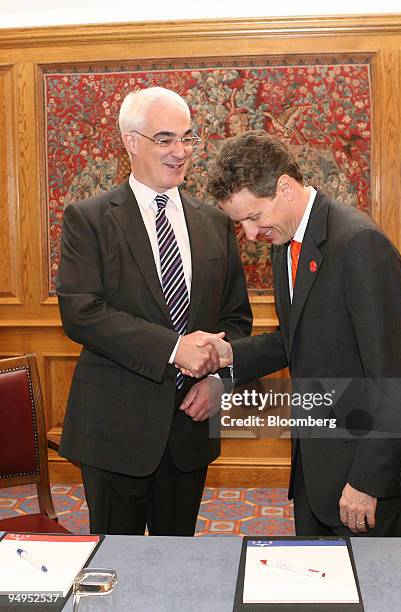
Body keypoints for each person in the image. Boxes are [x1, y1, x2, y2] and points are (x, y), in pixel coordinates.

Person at [202, 130, 401, 537]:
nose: (251, 235)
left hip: (366, 477)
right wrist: (230, 357)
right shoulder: (287, 243)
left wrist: (367, 481)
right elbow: (296, 338)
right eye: (240, 222)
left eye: (254, 217)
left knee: (371, 595)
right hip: (318, 466)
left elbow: (393, 376)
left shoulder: (360, 245)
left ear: (285, 187)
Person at [56, 87, 252, 536]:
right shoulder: (89, 218)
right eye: (165, 139)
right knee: (115, 565)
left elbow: (237, 320)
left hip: (191, 426)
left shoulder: (216, 223)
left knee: (178, 561)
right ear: (131, 141)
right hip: (115, 429)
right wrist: (173, 349)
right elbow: (81, 313)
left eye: (187, 137)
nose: (180, 152)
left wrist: (220, 382)